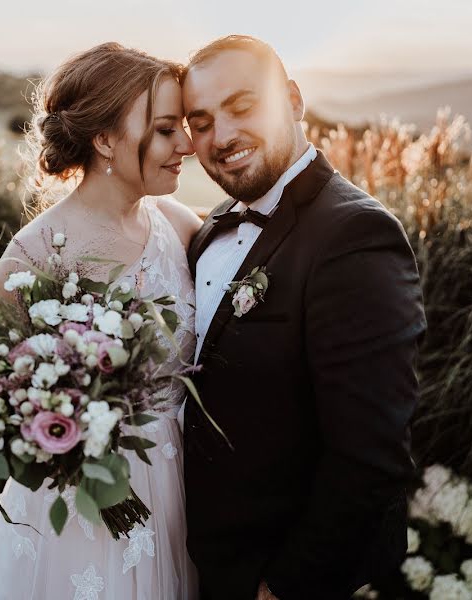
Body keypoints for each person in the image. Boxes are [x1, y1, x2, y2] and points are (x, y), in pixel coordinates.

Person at [181, 35, 427, 599]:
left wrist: (286, 586)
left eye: (243, 107)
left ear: (293, 100)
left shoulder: (356, 235)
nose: (223, 136)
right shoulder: (213, 225)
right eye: (201, 121)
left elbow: (371, 454)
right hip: (199, 562)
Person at [0, 42, 202, 600]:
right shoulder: (31, 259)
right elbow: (4, 406)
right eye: (166, 129)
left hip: (178, 480)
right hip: (83, 504)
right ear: (104, 140)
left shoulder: (183, 227)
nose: (186, 146)